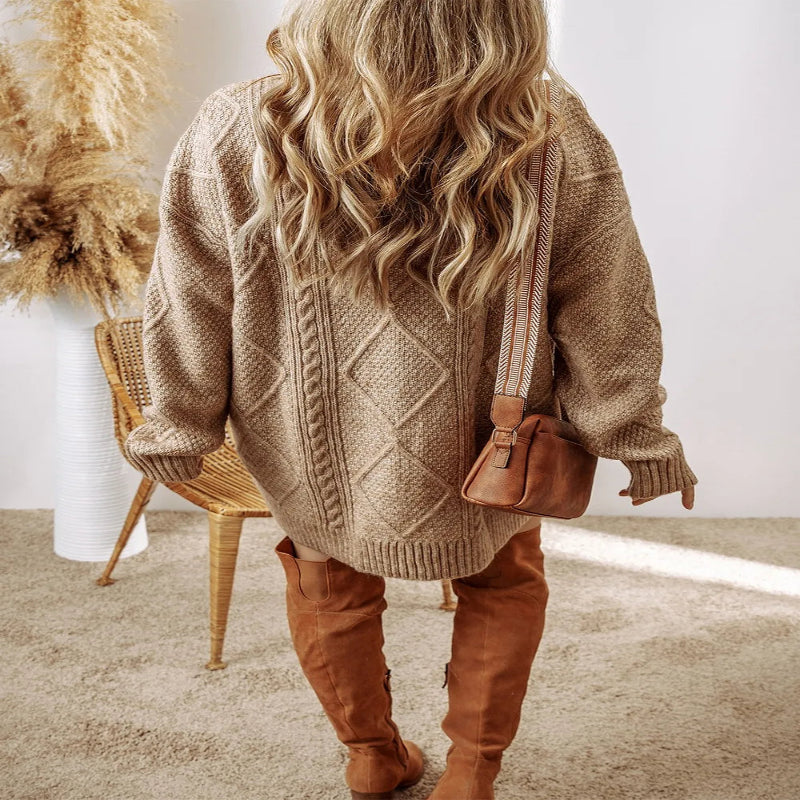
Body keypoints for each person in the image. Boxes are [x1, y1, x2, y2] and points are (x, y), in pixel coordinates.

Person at [123, 1, 699, 797]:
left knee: (327, 578)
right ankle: (471, 773)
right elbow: (606, 292)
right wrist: (632, 430)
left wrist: (178, 419)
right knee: (502, 576)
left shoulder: (238, 122)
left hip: (305, 433)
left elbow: (189, 291)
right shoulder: (545, 125)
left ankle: (372, 757)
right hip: (490, 440)